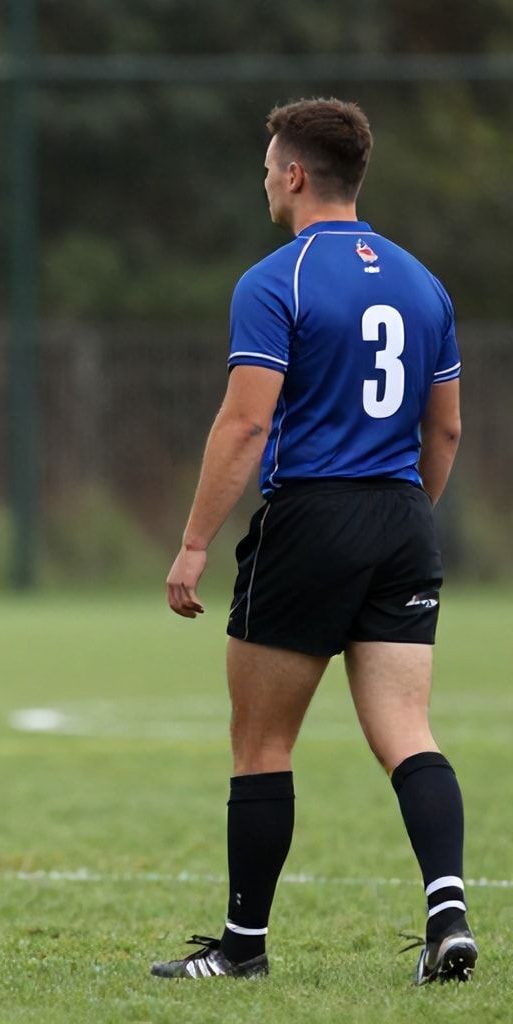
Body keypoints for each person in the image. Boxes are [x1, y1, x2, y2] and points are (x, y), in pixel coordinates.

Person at [151, 98, 471, 984]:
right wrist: (404, 517)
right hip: (404, 519)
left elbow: (245, 425)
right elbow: (444, 431)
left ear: (295, 174)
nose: (264, 182)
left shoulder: (275, 280)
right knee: (408, 732)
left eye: (267, 169)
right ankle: (449, 914)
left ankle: (242, 948)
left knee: (261, 745)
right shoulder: (424, 283)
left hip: (312, 519)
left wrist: (193, 543)